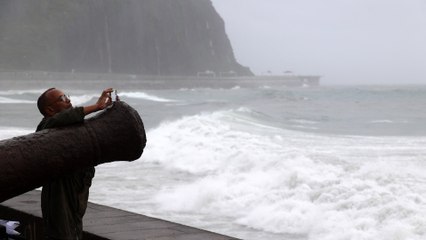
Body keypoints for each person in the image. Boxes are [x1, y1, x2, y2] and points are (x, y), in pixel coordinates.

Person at [36, 87, 114, 240]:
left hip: (75, 188)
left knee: (74, 228)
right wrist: (97, 106)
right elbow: (67, 116)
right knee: (61, 232)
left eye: (67, 96)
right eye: (62, 99)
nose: (68, 100)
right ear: (50, 109)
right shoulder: (47, 125)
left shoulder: (65, 125)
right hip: (58, 190)